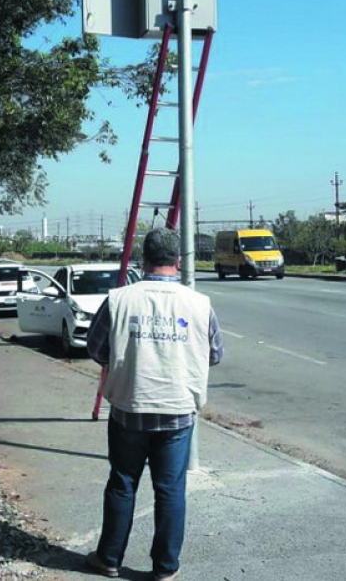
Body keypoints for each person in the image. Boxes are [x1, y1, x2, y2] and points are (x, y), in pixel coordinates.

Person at [84, 228, 224, 580]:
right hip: (177, 413)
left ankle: (109, 559)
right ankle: (165, 568)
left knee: (122, 483)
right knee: (170, 490)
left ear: (143, 260)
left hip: (129, 408)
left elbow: (95, 348)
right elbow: (215, 354)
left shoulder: (119, 299)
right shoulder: (199, 303)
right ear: (178, 261)